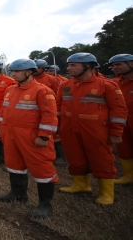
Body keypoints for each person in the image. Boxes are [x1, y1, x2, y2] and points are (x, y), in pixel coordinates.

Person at [57, 53, 128, 205]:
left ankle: (106, 193)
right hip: (70, 129)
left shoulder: (107, 86)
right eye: (69, 65)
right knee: (74, 157)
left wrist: (116, 132)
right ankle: (81, 185)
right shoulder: (65, 85)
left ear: (88, 66)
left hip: (96, 130)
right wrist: (57, 127)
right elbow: (57, 107)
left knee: (101, 159)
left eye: (73, 65)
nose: (69, 68)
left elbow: (119, 110)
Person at [0, 59, 58, 219]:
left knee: (41, 167)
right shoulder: (11, 90)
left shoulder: (42, 91)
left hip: (32, 137)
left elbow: (49, 116)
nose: (13, 74)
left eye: (16, 71)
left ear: (29, 72)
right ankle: (18, 194)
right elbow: (4, 109)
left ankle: (45, 204)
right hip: (11, 135)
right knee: (14, 164)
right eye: (12, 71)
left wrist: (44, 135)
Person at [109, 54, 133, 185]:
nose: (114, 68)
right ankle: (129, 175)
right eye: (113, 65)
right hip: (122, 121)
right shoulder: (114, 83)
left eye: (118, 64)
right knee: (124, 148)